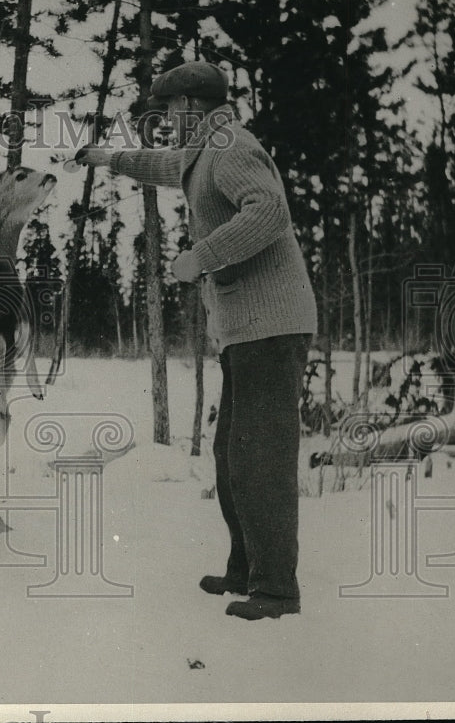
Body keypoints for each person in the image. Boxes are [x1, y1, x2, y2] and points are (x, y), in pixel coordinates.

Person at [78, 61, 317, 620]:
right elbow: (165, 165)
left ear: (191, 104)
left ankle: (278, 589)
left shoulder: (231, 145)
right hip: (248, 330)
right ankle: (247, 571)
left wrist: (201, 257)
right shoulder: (204, 148)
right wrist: (108, 159)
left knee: (259, 458)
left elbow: (270, 212)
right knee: (232, 453)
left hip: (273, 326)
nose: (164, 122)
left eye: (167, 111)